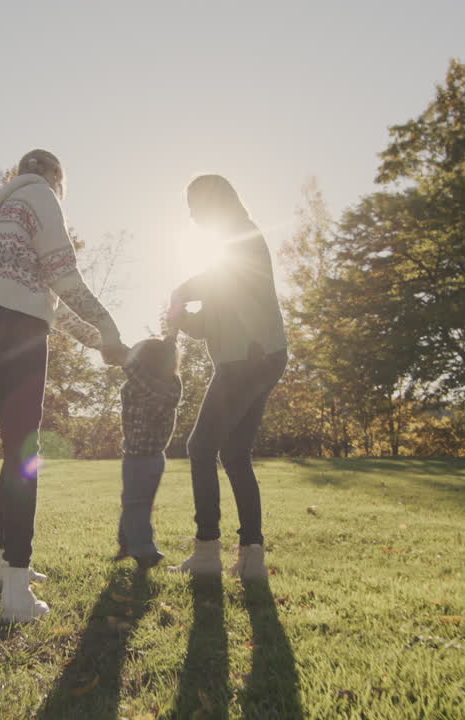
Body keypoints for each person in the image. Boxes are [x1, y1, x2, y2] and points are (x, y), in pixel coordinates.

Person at [0, 149, 128, 622]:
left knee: (14, 450)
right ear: (58, 177)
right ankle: (17, 592)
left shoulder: (8, 211)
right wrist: (111, 327)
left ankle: (3, 565)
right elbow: (64, 277)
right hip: (16, 330)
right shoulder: (43, 197)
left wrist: (97, 342)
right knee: (25, 455)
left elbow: (47, 302)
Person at [166, 174, 288, 581]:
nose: (192, 213)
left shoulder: (241, 236)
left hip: (250, 357)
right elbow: (209, 324)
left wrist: (180, 290)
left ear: (218, 201)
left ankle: (206, 552)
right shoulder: (225, 249)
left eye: (196, 203)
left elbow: (221, 280)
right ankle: (252, 557)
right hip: (257, 357)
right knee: (234, 455)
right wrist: (181, 317)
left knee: (200, 447)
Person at [113, 336, 183, 571]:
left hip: (141, 457)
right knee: (134, 502)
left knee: (136, 503)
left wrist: (120, 351)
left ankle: (144, 550)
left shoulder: (153, 385)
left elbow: (131, 369)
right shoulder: (172, 382)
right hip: (151, 457)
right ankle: (126, 543)